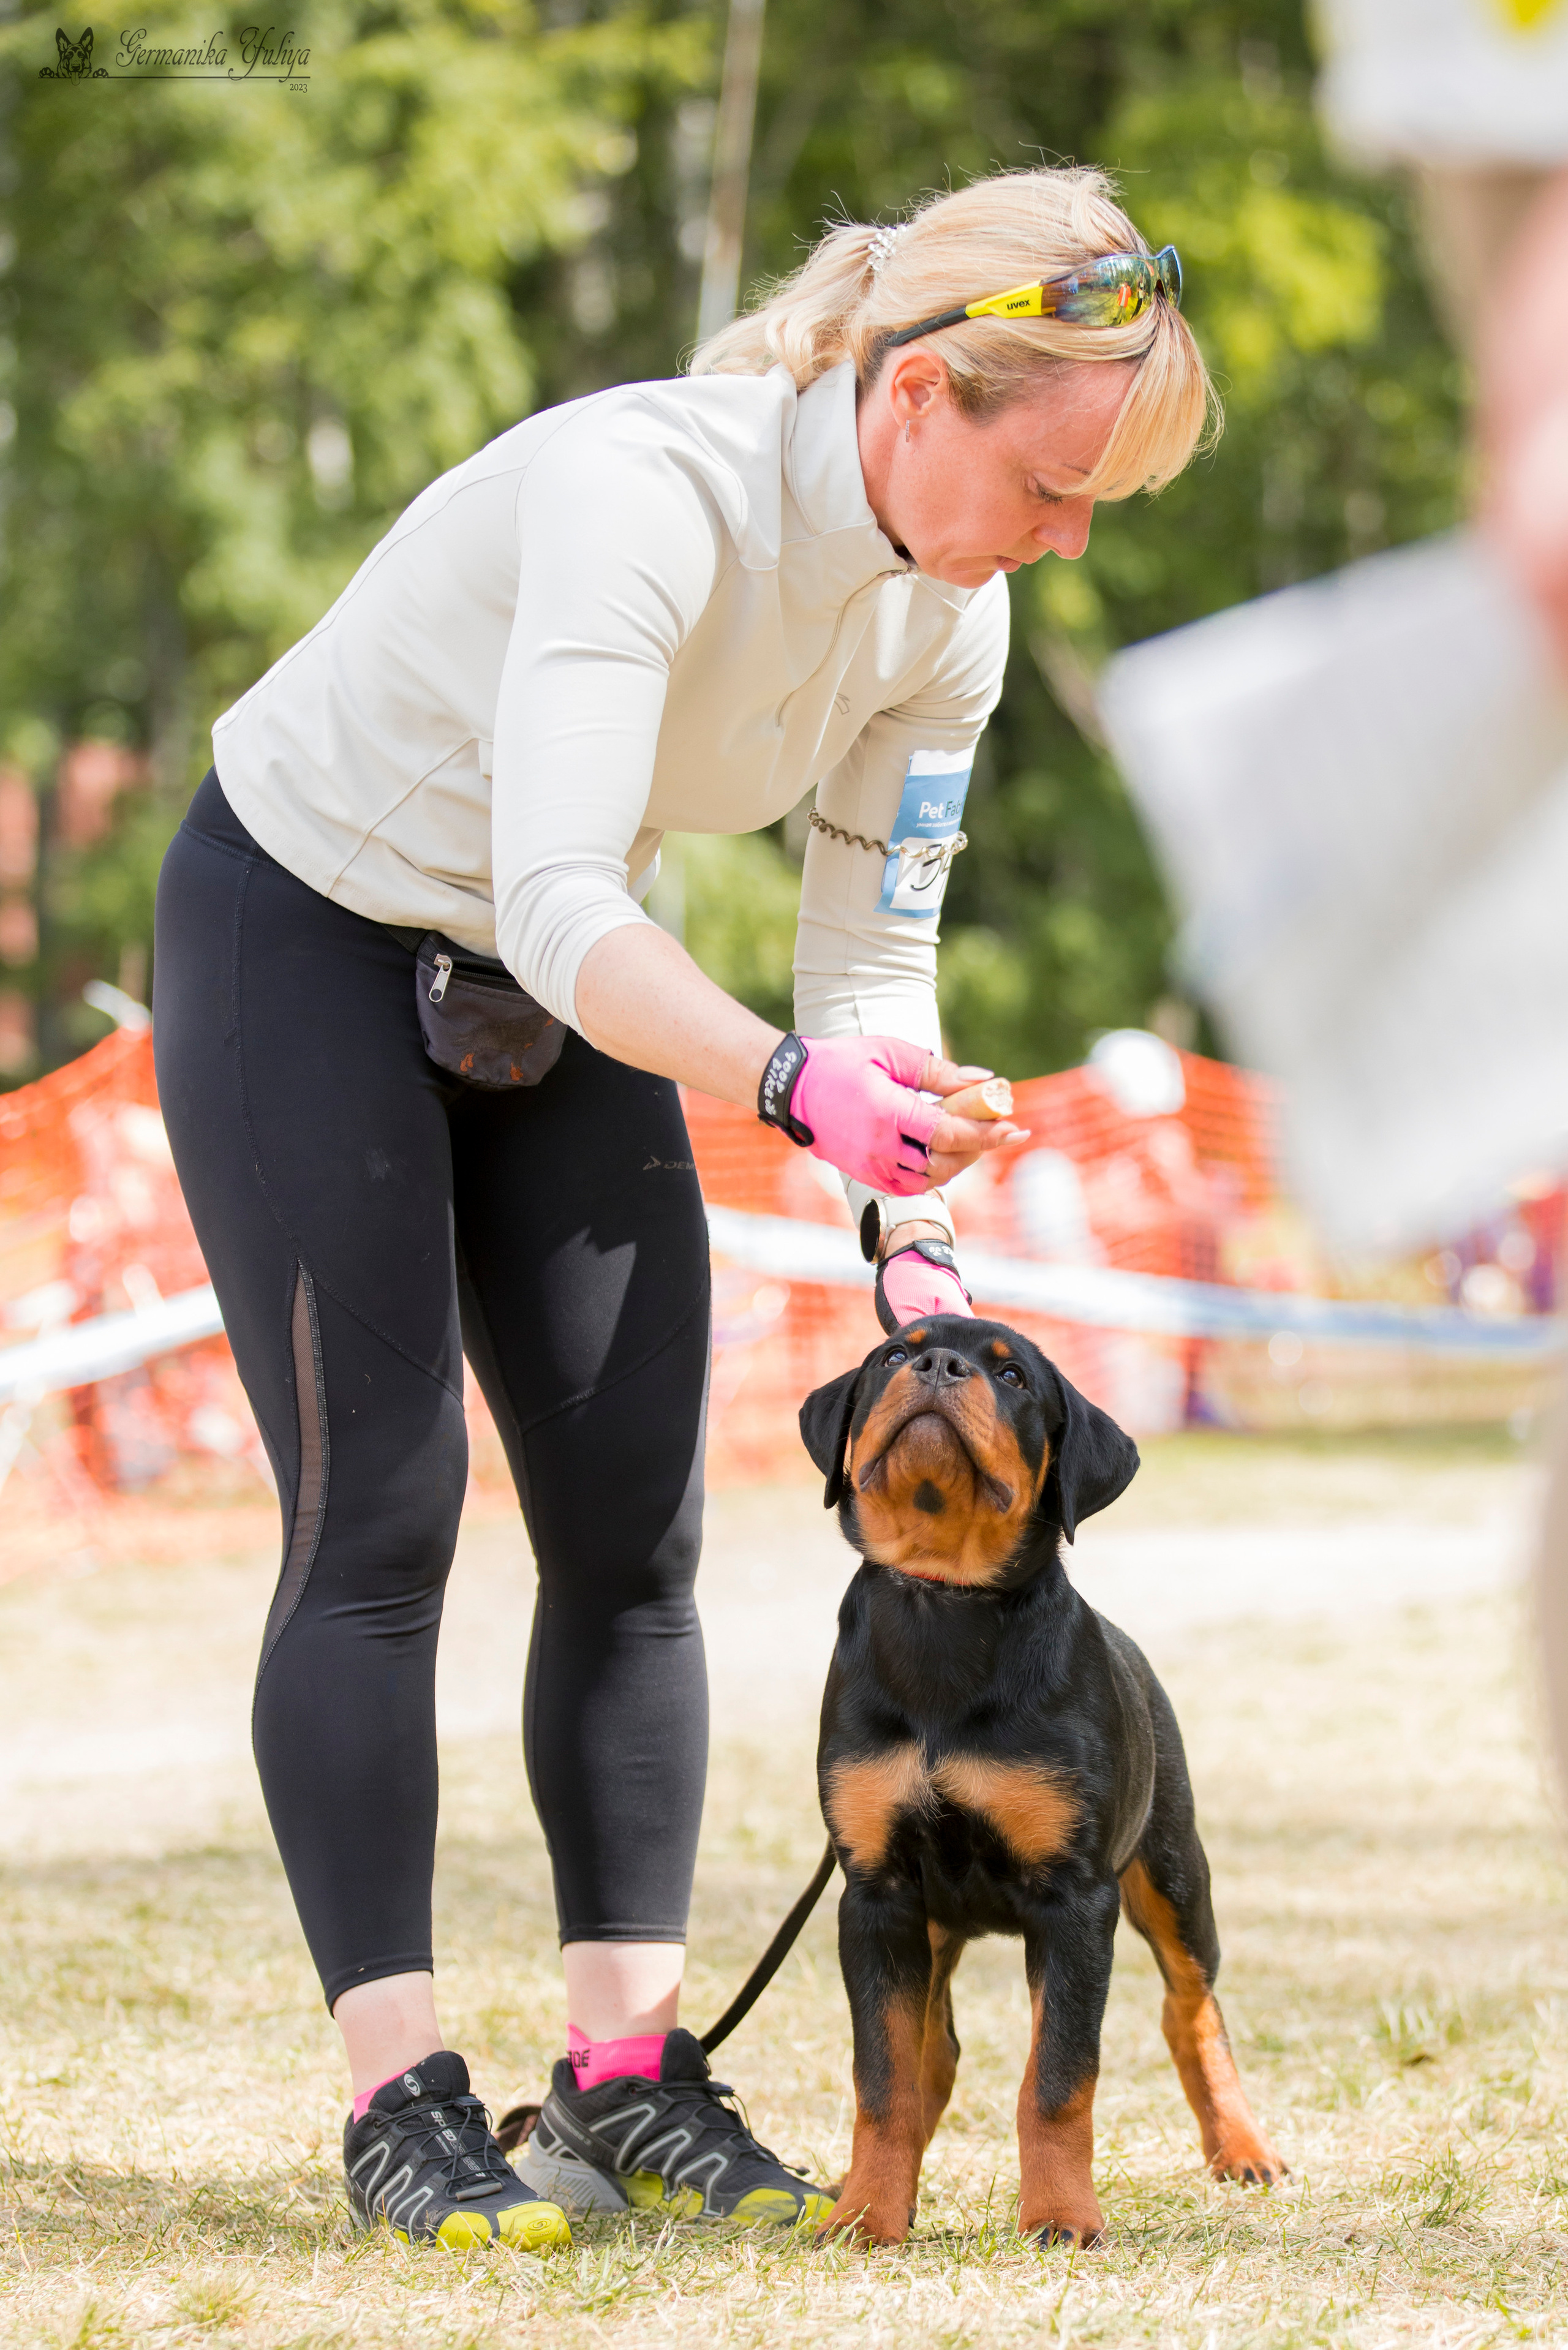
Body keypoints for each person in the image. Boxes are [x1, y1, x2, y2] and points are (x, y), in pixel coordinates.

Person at [151, 162, 1213, 2248]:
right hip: (310, 928)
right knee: (381, 1518)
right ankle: (399, 2102)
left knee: (638, 1527)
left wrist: (911, 1220)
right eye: (1058, 486)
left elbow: (869, 962)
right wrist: (797, 1090)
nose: (1070, 540)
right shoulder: (644, 490)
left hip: (564, 971)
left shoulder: (954, 612)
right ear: (921, 394)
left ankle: (625, 2077)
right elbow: (558, 896)